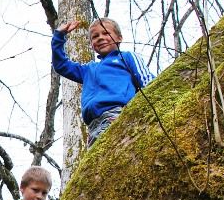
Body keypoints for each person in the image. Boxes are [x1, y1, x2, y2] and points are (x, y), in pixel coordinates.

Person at [51, 17, 153, 145]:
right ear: (92, 45)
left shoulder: (126, 57)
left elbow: (146, 79)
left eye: (106, 33)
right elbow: (61, 66)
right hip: (93, 125)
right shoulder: (89, 69)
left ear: (119, 38)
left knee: (111, 149)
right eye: (95, 36)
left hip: (116, 113)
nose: (100, 38)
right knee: (97, 160)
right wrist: (58, 36)